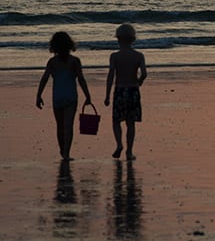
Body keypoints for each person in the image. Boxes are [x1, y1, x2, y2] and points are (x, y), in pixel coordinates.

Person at [36, 31, 92, 161]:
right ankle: (66, 153)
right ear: (69, 44)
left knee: (60, 126)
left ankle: (62, 150)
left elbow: (44, 79)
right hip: (71, 96)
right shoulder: (75, 61)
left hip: (57, 97)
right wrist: (88, 96)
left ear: (54, 46)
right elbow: (81, 79)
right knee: (68, 126)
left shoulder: (52, 62)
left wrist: (38, 95)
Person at [104, 24, 147, 161]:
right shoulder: (139, 55)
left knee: (116, 121)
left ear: (118, 39)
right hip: (133, 90)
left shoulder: (115, 56)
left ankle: (119, 144)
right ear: (133, 39)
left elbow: (111, 76)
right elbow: (144, 73)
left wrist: (107, 95)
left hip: (120, 90)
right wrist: (139, 82)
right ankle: (129, 151)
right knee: (131, 122)